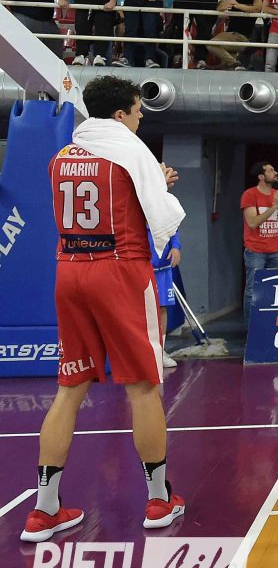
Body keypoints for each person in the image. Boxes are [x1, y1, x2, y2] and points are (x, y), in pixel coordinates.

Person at [22, 75, 186, 543]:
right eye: (137, 110)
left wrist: (148, 184)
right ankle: (159, 499)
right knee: (144, 387)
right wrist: (159, 185)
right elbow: (162, 216)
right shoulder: (131, 152)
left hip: (70, 271)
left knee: (69, 388)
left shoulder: (61, 157)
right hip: (119, 271)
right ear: (120, 114)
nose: (140, 117)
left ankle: (44, 510)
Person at [241, 162, 278, 323]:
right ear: (261, 176)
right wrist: (273, 207)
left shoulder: (277, 194)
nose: (275, 172)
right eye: (271, 170)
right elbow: (252, 223)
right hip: (255, 250)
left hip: (276, 249)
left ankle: (271, 326)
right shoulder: (250, 194)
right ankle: (250, 328)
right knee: (253, 290)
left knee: (276, 289)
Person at [209, 0, 262, 71]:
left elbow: (257, 8)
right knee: (227, 69)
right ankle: (235, 64)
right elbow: (219, 7)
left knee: (211, 44)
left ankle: (235, 63)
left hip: (243, 36)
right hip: (229, 35)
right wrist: (224, 7)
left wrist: (237, 5)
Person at [150, 231, 181, 369]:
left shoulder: (163, 216)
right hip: (142, 267)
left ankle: (160, 352)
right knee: (141, 310)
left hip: (162, 267)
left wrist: (175, 246)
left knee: (162, 308)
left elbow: (172, 228)